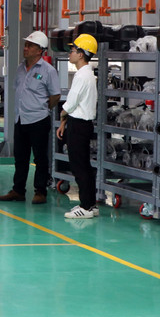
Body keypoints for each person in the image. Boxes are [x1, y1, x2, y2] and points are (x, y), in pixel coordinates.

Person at [0, 31, 61, 205]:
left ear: (39, 50)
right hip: (20, 119)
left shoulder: (48, 71)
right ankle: (18, 190)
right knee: (21, 157)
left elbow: (55, 95)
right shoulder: (20, 68)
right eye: (26, 45)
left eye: (30, 46)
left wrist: (41, 108)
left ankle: (40, 191)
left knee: (40, 158)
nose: (25, 48)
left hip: (38, 120)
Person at [56, 33, 99, 219]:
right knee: (84, 166)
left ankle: (86, 206)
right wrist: (65, 120)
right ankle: (90, 204)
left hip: (79, 125)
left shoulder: (82, 76)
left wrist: (62, 114)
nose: (70, 54)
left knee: (79, 166)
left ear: (81, 54)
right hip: (81, 123)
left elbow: (71, 103)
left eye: (73, 50)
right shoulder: (87, 74)